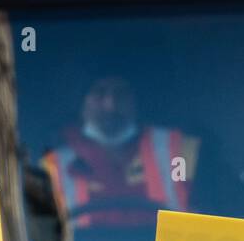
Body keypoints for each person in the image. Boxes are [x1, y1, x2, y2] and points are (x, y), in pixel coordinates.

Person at [41, 76, 200, 231]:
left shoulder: (179, 149)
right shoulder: (52, 166)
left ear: (136, 100)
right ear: (82, 101)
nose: (110, 105)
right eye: (99, 93)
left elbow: (210, 220)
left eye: (121, 94)